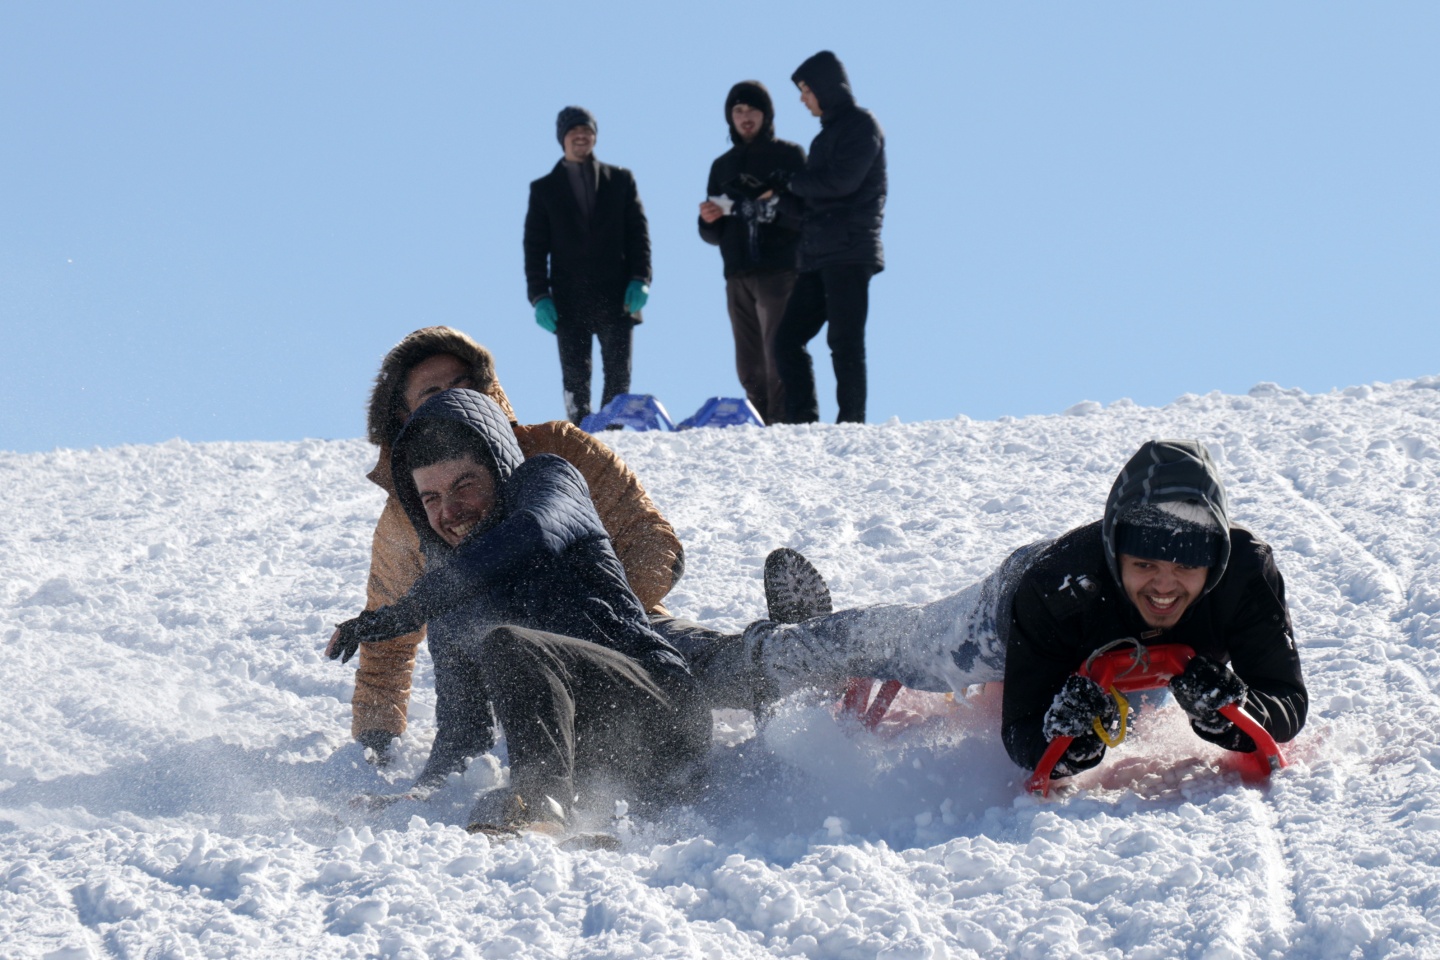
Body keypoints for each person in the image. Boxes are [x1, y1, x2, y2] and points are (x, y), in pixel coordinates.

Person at [737, 440, 1309, 780]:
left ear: (1217, 559)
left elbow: (1286, 703)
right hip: (1019, 609)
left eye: (1186, 566)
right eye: (1145, 564)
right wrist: (1060, 739)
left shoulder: (1245, 579)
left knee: (1137, 710)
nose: (1164, 585)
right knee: (924, 653)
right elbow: (1022, 734)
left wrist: (1231, 711)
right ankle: (788, 644)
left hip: (1122, 653)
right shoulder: (1058, 587)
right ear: (1115, 549)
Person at [328, 390, 711, 834]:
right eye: (430, 498)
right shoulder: (452, 597)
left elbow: (536, 531)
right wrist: (416, 799)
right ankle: (547, 807)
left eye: (464, 485)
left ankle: (539, 808)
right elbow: (462, 736)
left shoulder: (549, 480)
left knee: (511, 642)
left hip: (662, 718)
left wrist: (411, 608)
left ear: (498, 468)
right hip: (598, 763)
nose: (449, 511)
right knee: (506, 644)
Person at [340, 327, 683, 762]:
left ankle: (776, 651)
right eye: (431, 393)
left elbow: (647, 539)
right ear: (406, 416)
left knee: (688, 650)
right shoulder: (415, 518)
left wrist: (606, 612)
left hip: (620, 625)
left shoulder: (551, 458)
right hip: (526, 665)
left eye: (462, 385)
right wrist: (377, 741)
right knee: (496, 639)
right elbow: (392, 634)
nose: (448, 508)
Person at [770, 51, 887, 425]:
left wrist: (792, 182)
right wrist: (777, 200)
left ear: (824, 88)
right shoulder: (825, 137)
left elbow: (840, 183)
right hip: (816, 255)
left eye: (806, 90)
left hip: (850, 251)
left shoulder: (861, 126)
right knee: (787, 340)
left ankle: (851, 422)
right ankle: (803, 421)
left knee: (845, 340)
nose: (803, 99)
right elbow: (811, 201)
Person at [524, 106, 653, 426]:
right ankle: (582, 434)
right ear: (562, 139)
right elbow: (534, 249)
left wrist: (640, 278)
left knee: (618, 375)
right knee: (575, 378)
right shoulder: (543, 190)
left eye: (587, 131)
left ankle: (615, 433)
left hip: (618, 292)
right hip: (568, 297)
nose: (581, 136)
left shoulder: (621, 180)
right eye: (573, 132)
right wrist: (540, 296)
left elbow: (639, 234)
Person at [698, 81, 807, 424]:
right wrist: (708, 220)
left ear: (767, 114)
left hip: (778, 271)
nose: (745, 117)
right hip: (736, 273)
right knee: (748, 361)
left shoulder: (789, 156)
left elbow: (804, 212)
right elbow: (711, 233)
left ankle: (783, 423)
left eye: (752, 110)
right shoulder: (722, 166)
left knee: (778, 353)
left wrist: (768, 205)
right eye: (738, 111)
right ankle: (758, 422)